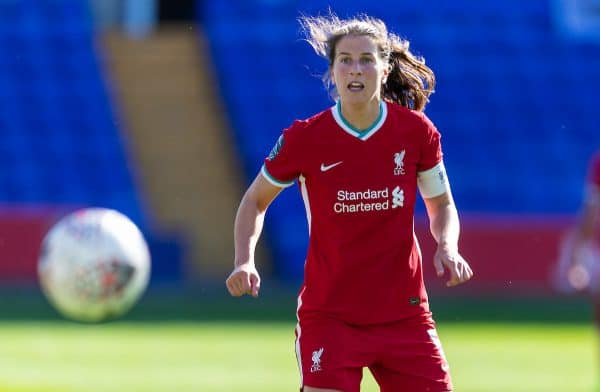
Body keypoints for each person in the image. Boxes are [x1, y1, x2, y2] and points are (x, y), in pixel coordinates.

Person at [226, 13, 473, 392]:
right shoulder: (304, 138)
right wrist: (244, 259)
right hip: (330, 317)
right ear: (333, 72)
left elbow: (441, 205)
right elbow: (254, 201)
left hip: (404, 316)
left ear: (384, 67)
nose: (355, 69)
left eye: (366, 59)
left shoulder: (416, 132)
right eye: (345, 60)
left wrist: (447, 246)